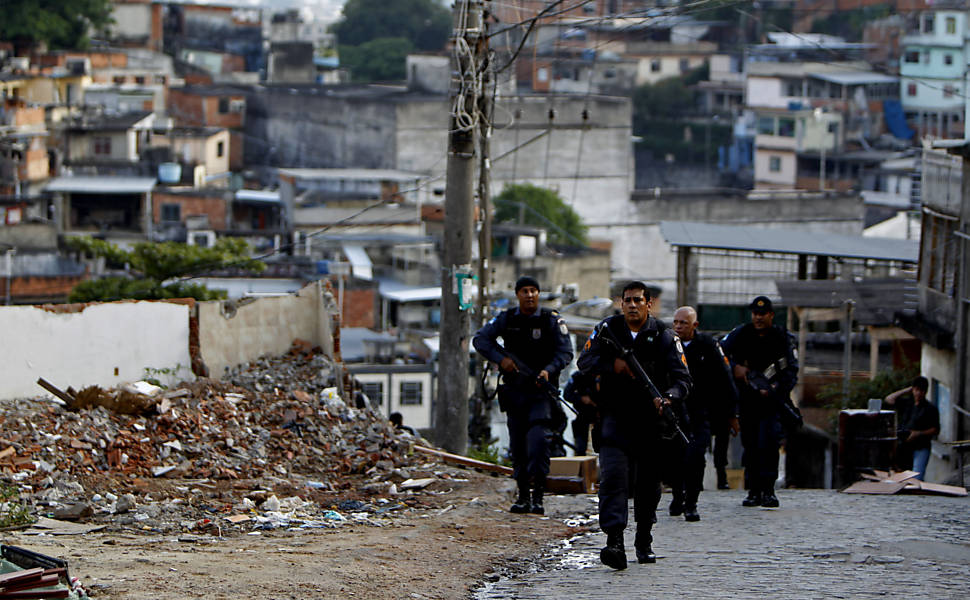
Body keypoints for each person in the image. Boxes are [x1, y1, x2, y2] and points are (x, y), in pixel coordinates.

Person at [577, 281, 692, 570]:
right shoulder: (607, 329)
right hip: (615, 419)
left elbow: (683, 379)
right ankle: (614, 540)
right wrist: (611, 365)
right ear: (620, 303)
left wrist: (668, 398)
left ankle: (644, 537)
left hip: (650, 423)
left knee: (648, 486)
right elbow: (585, 361)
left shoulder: (664, 335)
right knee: (614, 479)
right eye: (627, 300)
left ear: (648, 303)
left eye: (637, 300)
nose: (631, 305)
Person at [472, 275, 573, 515]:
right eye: (525, 291)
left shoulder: (551, 320)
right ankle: (523, 496)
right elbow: (481, 339)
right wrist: (501, 359)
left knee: (538, 445)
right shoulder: (507, 318)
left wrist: (548, 371)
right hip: (516, 393)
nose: (529, 295)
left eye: (533, 291)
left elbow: (565, 352)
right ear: (518, 295)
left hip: (541, 394)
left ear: (539, 294)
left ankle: (538, 496)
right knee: (518, 447)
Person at [720, 295, 798, 509]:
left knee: (769, 445)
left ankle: (768, 491)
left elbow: (791, 370)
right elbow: (720, 352)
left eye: (763, 314)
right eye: (755, 314)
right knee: (751, 446)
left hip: (772, 403)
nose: (758, 318)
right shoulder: (741, 334)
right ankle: (753, 491)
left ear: (771, 315)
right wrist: (735, 367)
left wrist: (776, 389)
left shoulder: (782, 338)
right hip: (747, 402)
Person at [667, 305, 740, 521]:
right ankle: (677, 495)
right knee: (674, 458)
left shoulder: (708, 346)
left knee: (696, 456)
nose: (679, 327)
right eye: (676, 322)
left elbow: (726, 380)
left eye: (684, 323)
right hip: (674, 410)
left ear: (695, 325)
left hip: (701, 412)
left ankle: (691, 503)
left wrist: (732, 413)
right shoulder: (667, 344)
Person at [885, 376, 939, 481]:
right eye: (916, 390)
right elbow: (889, 399)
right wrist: (907, 390)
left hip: (921, 446)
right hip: (904, 446)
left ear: (925, 392)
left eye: (921, 391)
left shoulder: (930, 408)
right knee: (901, 476)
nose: (918, 393)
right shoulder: (907, 403)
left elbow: (935, 429)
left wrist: (918, 433)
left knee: (916, 478)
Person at [563, 370, 600, 456]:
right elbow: (567, 394)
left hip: (599, 416)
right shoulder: (578, 377)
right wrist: (580, 398)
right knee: (580, 448)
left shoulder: (600, 374)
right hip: (583, 415)